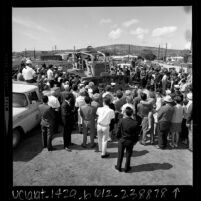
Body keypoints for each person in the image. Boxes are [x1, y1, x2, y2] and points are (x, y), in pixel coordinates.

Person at [115, 107, 139, 173]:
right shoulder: (135, 122)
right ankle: (126, 167)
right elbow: (136, 134)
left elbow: (118, 131)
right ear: (131, 114)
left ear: (125, 113)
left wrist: (118, 138)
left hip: (122, 140)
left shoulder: (121, 120)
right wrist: (135, 141)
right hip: (130, 141)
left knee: (120, 154)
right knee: (128, 154)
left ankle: (118, 167)